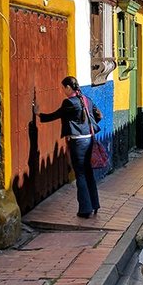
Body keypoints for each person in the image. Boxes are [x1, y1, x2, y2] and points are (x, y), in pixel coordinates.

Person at [37, 76, 102, 218]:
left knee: (80, 174)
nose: (63, 91)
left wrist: (39, 114)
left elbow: (56, 115)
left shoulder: (69, 102)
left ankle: (85, 209)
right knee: (88, 171)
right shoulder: (86, 99)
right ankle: (94, 204)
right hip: (89, 139)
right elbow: (98, 116)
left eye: (63, 88)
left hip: (78, 142)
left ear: (68, 87)